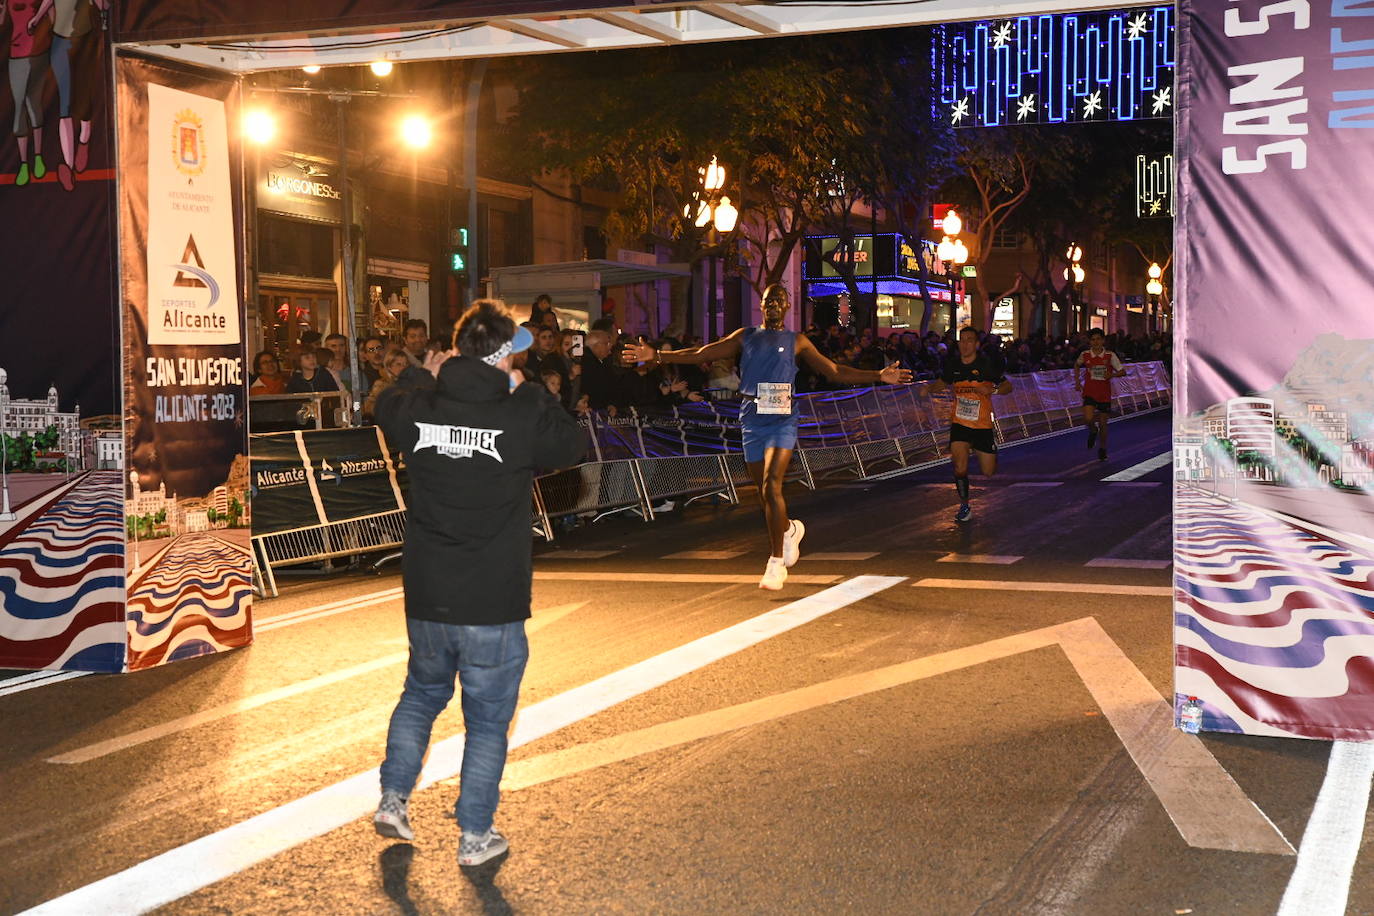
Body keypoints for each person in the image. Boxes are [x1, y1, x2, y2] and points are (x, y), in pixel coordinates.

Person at [372, 299, 583, 867]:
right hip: (493, 598)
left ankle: (393, 799)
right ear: (502, 357)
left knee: (420, 695)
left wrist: (425, 372)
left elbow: (383, 402)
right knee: (487, 722)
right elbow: (573, 445)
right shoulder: (519, 412)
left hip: (430, 593)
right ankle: (474, 836)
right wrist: (530, 392)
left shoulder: (419, 408)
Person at [622, 284, 911, 590]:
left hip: (783, 420)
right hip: (751, 418)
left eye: (779, 300)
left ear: (787, 307)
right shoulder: (745, 336)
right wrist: (659, 356)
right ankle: (788, 531)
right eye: (768, 300)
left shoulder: (796, 341)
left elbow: (835, 370)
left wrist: (878, 376)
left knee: (773, 485)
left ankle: (775, 563)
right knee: (763, 492)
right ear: (761, 306)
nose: (774, 304)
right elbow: (701, 353)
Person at [928, 326, 1013, 523]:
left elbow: (1008, 386)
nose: (965, 344)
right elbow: (942, 382)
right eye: (962, 340)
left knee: (988, 472)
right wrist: (928, 389)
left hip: (982, 425)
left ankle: (988, 450)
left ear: (976, 344)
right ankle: (965, 505)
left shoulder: (986, 365)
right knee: (959, 467)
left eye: (969, 340)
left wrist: (993, 391)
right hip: (960, 423)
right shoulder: (953, 365)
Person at [1074, 328, 1126, 461]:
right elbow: (1077, 364)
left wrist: (1112, 374)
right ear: (1089, 342)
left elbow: (1122, 371)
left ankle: (1102, 448)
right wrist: (1077, 381)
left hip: (1104, 393)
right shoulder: (1085, 355)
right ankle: (1092, 430)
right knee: (1088, 418)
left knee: (1103, 423)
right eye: (1093, 339)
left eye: (1098, 339)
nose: (1095, 342)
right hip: (1090, 392)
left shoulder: (1110, 355)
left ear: (1103, 341)